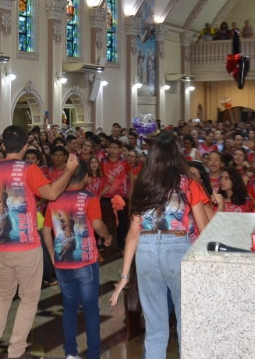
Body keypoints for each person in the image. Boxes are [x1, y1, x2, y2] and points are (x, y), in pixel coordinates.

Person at [0, 125, 79, 359]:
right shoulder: (29, 169)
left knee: (2, 297)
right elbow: (52, 193)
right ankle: (15, 352)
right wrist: (70, 170)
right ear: (26, 146)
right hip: (25, 246)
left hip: (0, 246)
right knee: (28, 299)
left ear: (2, 146)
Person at [109, 131, 209, 359]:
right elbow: (204, 228)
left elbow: (133, 234)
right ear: (177, 154)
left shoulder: (144, 183)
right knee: (186, 324)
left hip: (146, 249)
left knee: (155, 329)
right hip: (177, 247)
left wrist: (124, 277)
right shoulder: (188, 182)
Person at [42, 160, 112, 359]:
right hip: (85, 261)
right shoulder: (89, 198)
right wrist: (107, 237)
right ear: (86, 178)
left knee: (69, 307)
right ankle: (94, 355)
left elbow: (47, 231)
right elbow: (98, 225)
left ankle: (71, 353)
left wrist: (52, 255)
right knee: (90, 309)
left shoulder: (54, 199)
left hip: (62, 260)